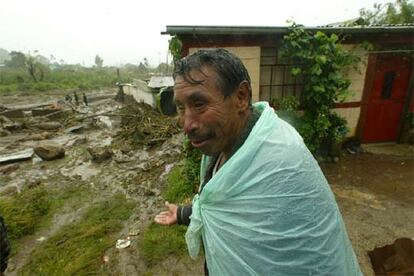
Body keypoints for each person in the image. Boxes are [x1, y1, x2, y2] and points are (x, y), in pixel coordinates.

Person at [154, 48, 362, 275]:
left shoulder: (281, 163)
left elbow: (310, 257)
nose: (187, 125)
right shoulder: (224, 145)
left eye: (200, 104)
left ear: (241, 97)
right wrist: (184, 214)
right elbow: (224, 205)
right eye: (181, 107)